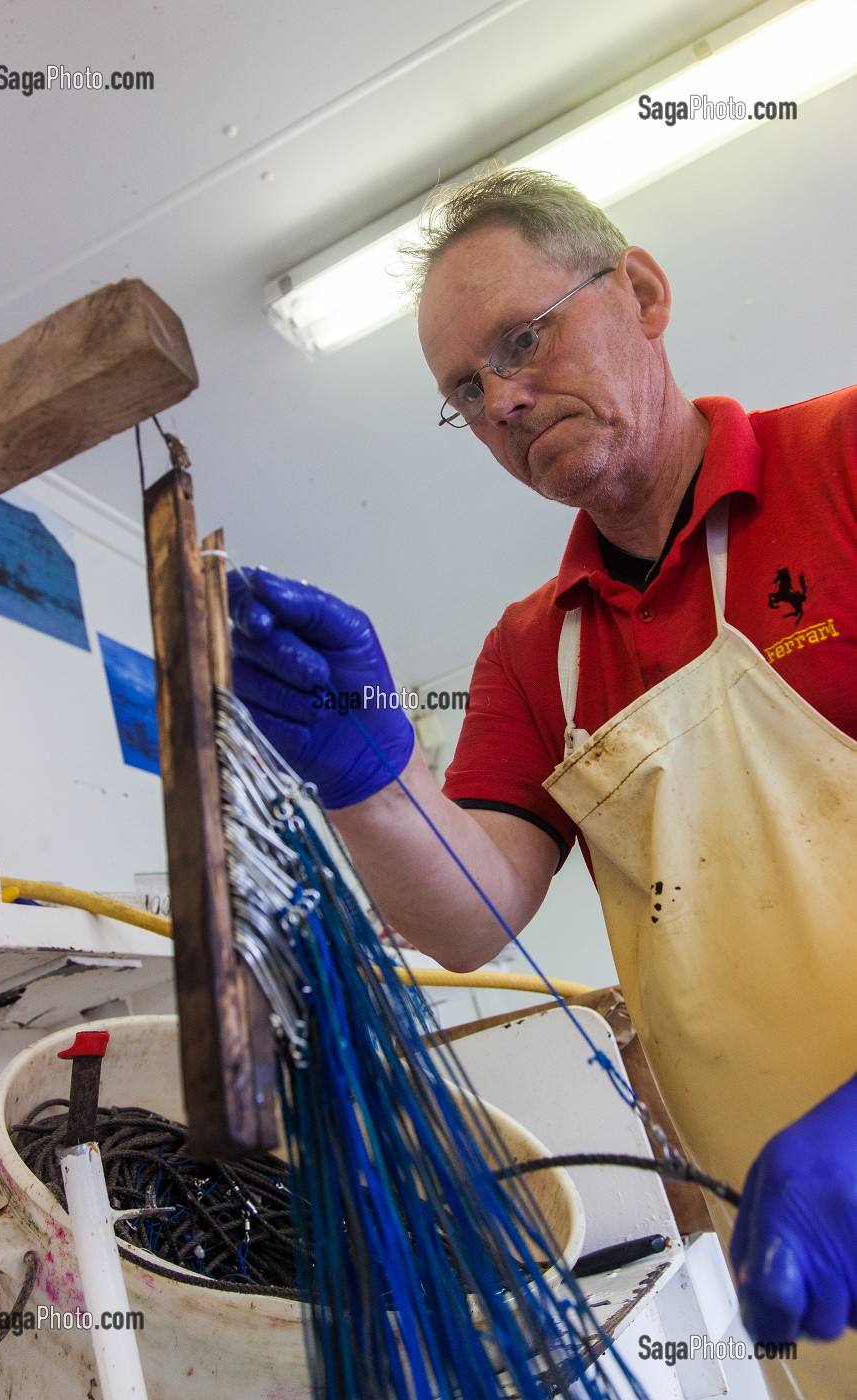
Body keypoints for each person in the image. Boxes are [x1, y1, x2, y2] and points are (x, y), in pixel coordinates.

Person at [229, 169, 857, 1400]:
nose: (506, 399)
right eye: (466, 391)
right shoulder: (537, 648)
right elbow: (472, 913)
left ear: (641, 291)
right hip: (801, 1265)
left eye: (526, 338)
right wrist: (371, 773)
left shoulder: (840, 461)